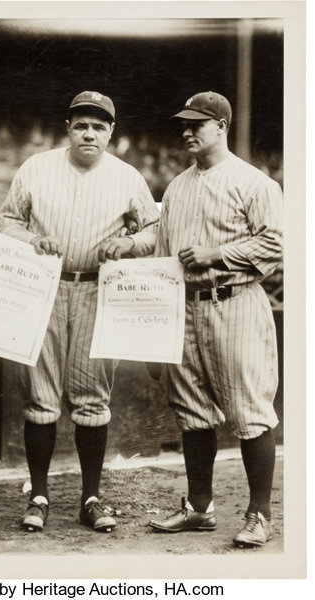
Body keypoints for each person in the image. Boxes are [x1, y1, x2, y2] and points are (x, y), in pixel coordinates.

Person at [0, 91, 160, 533]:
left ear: (111, 132)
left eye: (99, 126)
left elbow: (154, 230)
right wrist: (30, 240)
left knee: (92, 399)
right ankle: (38, 495)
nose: (89, 132)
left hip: (96, 288)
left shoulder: (127, 177)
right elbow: (7, 221)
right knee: (41, 398)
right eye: (81, 124)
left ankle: (91, 496)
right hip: (44, 287)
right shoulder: (36, 168)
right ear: (68, 128)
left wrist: (128, 244)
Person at [147, 91, 283, 548]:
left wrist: (218, 252)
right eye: (183, 124)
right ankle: (199, 508)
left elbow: (277, 244)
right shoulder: (177, 186)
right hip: (185, 305)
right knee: (192, 410)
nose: (187, 131)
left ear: (221, 126)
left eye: (197, 124)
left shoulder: (255, 183)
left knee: (250, 411)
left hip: (236, 300)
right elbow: (164, 252)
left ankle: (259, 514)